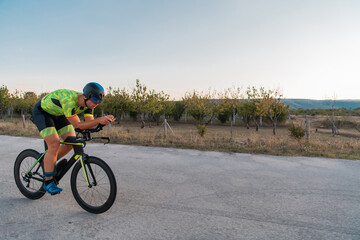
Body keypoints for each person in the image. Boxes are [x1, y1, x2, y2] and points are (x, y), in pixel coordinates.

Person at [31, 82, 115, 194]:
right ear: (86, 96)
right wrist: (99, 119)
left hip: (59, 114)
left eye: (99, 101)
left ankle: (49, 162)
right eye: (95, 99)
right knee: (54, 144)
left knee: (71, 141)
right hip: (42, 113)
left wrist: (102, 123)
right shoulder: (69, 100)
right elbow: (78, 126)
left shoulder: (89, 105)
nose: (97, 103)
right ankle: (48, 182)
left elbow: (89, 123)